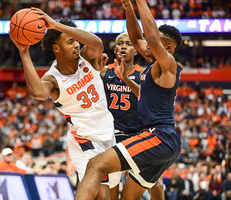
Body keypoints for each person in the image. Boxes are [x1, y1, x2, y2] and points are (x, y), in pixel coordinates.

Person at [74, 0, 183, 198]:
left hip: (158, 136)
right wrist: (128, 8)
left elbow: (150, 36)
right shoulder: (154, 67)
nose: (144, 45)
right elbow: (136, 37)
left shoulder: (169, 64)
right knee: (128, 197)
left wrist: (140, 2)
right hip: (160, 139)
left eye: (152, 43)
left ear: (167, 48)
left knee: (96, 165)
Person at [9, 8, 119, 199]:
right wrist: (24, 52)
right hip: (85, 139)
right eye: (70, 42)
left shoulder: (86, 57)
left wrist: (57, 25)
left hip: (108, 133)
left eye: (75, 40)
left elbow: (97, 43)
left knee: (107, 195)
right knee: (101, 194)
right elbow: (37, 92)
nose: (76, 45)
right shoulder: (53, 79)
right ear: (56, 48)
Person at [100, 32, 164, 200]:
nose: (123, 46)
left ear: (136, 51)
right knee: (111, 187)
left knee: (157, 184)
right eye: (120, 43)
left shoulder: (143, 73)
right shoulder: (104, 72)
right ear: (114, 50)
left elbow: (149, 98)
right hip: (112, 135)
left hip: (137, 134)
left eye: (128, 44)